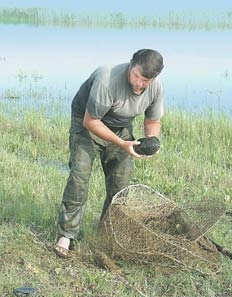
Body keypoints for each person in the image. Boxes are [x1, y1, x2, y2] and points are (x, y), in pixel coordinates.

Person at [54, 49, 164, 257]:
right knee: (79, 178)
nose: (139, 84)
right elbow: (90, 121)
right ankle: (66, 234)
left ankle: (106, 234)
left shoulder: (156, 88)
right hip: (87, 122)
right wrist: (122, 143)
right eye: (136, 77)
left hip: (120, 127)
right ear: (131, 65)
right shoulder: (107, 78)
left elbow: (152, 121)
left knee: (120, 184)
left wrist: (151, 141)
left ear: (154, 78)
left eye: (145, 81)